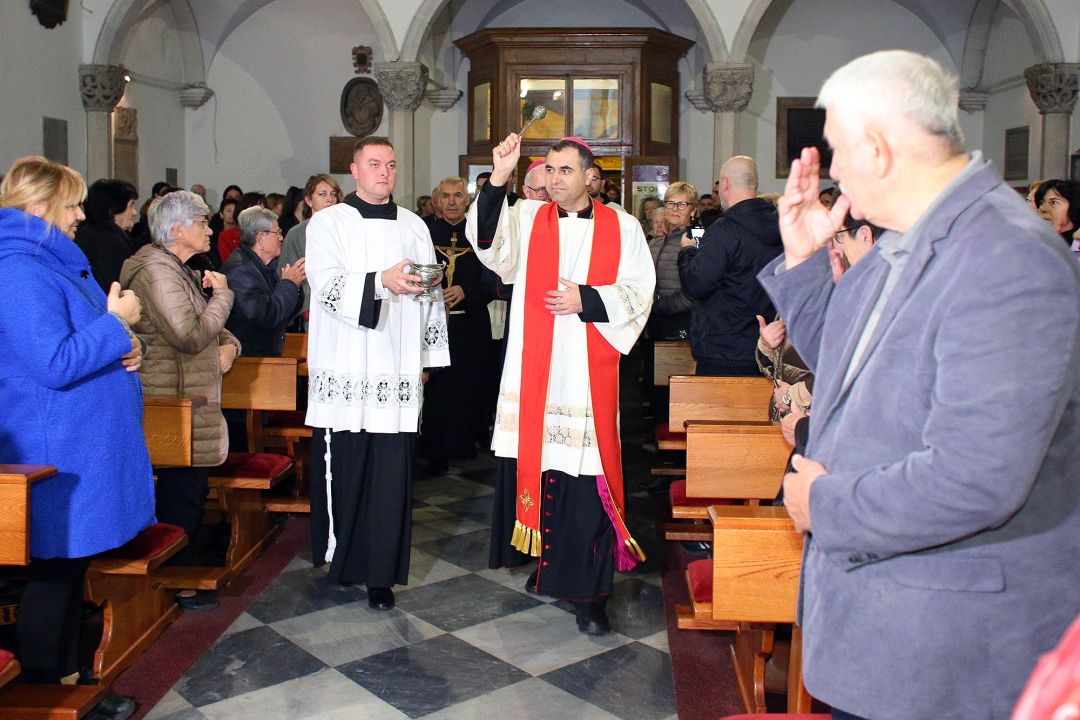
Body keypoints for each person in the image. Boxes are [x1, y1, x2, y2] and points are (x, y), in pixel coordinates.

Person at [762, 50, 1080, 720]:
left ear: (876, 148)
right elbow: (850, 369)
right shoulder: (899, 244)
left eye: (840, 149)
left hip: (946, 645)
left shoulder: (1007, 256)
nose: (836, 169)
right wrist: (803, 259)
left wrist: (826, 506)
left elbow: (976, 478)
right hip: (889, 619)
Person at [467, 133, 655, 635]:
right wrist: (500, 176)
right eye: (549, 170)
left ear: (590, 177)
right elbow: (487, 245)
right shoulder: (529, 220)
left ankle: (591, 596)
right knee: (548, 472)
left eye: (564, 171)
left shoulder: (624, 226)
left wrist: (588, 301)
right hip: (538, 373)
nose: (554, 179)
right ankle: (551, 574)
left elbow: (640, 291)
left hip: (587, 373)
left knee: (586, 480)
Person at [0, 157, 151, 720]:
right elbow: (54, 361)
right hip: (52, 449)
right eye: (71, 205)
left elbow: (77, 343)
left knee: (64, 572)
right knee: (51, 576)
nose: (81, 215)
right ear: (39, 209)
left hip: (71, 442)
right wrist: (117, 323)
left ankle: (66, 678)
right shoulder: (18, 269)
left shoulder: (45, 261)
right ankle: (45, 691)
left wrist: (125, 347)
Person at [305, 137, 450, 611]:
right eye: (373, 164)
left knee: (391, 475)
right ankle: (344, 560)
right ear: (354, 169)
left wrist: (427, 358)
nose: (384, 172)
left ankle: (382, 577)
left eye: (390, 164)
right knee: (349, 467)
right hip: (347, 359)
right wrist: (380, 282)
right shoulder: (328, 223)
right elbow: (325, 287)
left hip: (396, 363)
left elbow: (430, 292)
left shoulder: (413, 225)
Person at [121, 190, 241, 612]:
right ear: (177, 229)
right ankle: (175, 578)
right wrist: (224, 296)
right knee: (181, 491)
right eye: (203, 222)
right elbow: (189, 335)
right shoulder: (158, 272)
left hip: (189, 395)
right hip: (172, 400)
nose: (210, 229)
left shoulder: (177, 268)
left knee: (189, 488)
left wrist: (231, 345)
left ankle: (180, 569)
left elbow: (206, 328)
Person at [678, 156, 782, 376]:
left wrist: (687, 252)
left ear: (724, 183)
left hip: (723, 349)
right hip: (768, 345)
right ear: (756, 184)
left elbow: (696, 283)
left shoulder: (724, 230)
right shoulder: (782, 226)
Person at [419, 176, 493, 474]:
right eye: (446, 196)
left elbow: (494, 279)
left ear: (467, 200)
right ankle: (435, 451)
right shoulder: (425, 232)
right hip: (436, 324)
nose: (451, 202)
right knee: (437, 390)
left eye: (458, 196)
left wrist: (466, 291)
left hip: (470, 324)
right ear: (437, 199)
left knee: (470, 385)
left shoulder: (481, 234)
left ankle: (466, 445)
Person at [224, 207, 305, 356]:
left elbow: (285, 312)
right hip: (250, 361)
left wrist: (295, 286)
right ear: (261, 238)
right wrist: (289, 284)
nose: (281, 238)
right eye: (278, 233)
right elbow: (266, 315)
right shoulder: (240, 271)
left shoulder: (263, 267)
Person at [278, 174, 342, 331]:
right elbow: (286, 276)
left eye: (333, 194)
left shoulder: (346, 231)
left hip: (343, 309)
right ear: (308, 200)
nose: (330, 199)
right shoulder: (297, 233)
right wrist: (306, 309)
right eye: (322, 194)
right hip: (310, 315)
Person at [649, 182, 697, 342]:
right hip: (655, 323)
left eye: (682, 204)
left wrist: (658, 307)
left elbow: (696, 290)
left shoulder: (697, 238)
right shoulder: (656, 243)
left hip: (684, 324)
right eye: (670, 203)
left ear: (693, 210)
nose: (675, 208)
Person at [75, 178, 140, 293]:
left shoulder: (89, 232)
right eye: (130, 206)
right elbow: (112, 288)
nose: (134, 212)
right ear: (113, 210)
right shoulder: (110, 245)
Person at [217, 192, 266, 264]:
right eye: (254, 211)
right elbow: (228, 264)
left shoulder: (270, 234)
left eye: (262, 210)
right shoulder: (226, 236)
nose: (259, 214)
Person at [1034, 179, 1080, 245]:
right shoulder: (1033, 239)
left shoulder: (1076, 243)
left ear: (1074, 206)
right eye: (1041, 203)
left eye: (1054, 202)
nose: (1043, 209)